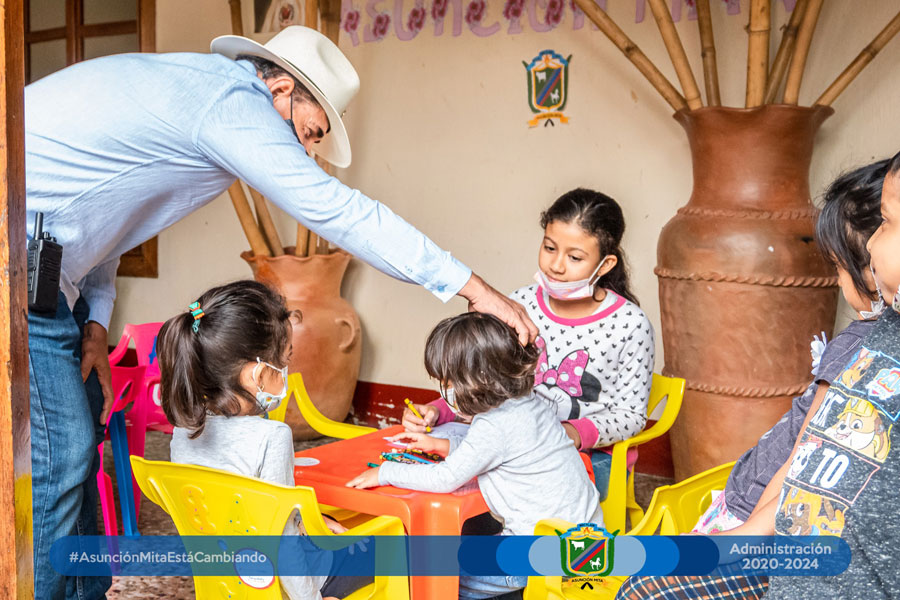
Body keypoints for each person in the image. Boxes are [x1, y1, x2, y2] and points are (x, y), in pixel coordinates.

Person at [25, 25, 535, 598]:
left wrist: (95, 322)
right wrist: (475, 288)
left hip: (56, 277)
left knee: (81, 443)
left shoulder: (203, 96)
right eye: (311, 132)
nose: (307, 153)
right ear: (283, 90)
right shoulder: (231, 101)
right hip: (19, 266)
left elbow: (111, 220)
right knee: (63, 457)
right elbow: (337, 210)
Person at [616, 155, 900, 600]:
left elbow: (804, 462)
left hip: (770, 535)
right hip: (760, 520)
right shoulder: (877, 340)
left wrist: (742, 540)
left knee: (645, 587)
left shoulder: (860, 346)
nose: (875, 245)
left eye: (887, 223)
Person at [403, 188, 654, 492]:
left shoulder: (629, 324)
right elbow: (488, 381)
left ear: (605, 265)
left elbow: (630, 416)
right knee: (437, 466)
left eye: (575, 257)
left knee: (503, 482)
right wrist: (438, 410)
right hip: (514, 441)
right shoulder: (520, 305)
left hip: (592, 456)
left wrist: (570, 433)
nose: (556, 265)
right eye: (549, 248)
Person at [347, 312, 602, 599]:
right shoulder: (528, 403)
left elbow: (445, 478)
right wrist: (442, 445)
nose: (445, 392)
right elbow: (500, 451)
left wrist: (384, 473)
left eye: (448, 383)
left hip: (540, 557)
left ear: (477, 381)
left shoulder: (493, 424)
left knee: (431, 572)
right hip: (587, 544)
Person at [694, 160, 887, 534]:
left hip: (752, 513)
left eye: (838, 267)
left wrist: (746, 536)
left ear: (873, 268)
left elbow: (805, 454)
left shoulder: (855, 345)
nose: (838, 281)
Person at [158, 280, 368, 600]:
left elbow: (237, 513)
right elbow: (281, 541)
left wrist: (305, 520)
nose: (286, 371)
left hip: (230, 579)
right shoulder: (271, 437)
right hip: (296, 583)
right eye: (284, 361)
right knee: (396, 546)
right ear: (256, 374)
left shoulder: (184, 430)